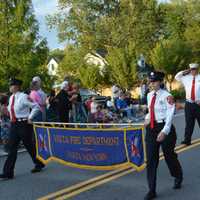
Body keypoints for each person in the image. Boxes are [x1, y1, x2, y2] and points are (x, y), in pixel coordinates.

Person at [144, 71, 183, 200]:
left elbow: (170, 115)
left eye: (154, 81)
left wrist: (164, 131)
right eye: (150, 81)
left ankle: (177, 175)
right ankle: (151, 190)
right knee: (151, 159)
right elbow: (151, 110)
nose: (151, 83)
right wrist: (147, 118)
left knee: (169, 156)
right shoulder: (149, 95)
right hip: (152, 128)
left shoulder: (167, 96)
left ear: (160, 82)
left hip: (165, 128)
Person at [0, 78, 45, 180]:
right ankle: (8, 172)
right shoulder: (11, 98)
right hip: (14, 125)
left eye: (11, 85)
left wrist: (30, 117)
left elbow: (36, 107)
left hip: (24, 124)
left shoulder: (24, 97)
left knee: (29, 145)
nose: (10, 87)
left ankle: (39, 163)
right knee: (12, 148)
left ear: (16, 87)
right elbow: (11, 110)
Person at [175, 63, 200, 145]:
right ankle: (187, 140)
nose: (193, 71)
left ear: (197, 69)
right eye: (191, 69)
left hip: (198, 104)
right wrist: (184, 72)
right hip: (189, 104)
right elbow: (177, 77)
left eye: (194, 69)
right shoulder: (186, 78)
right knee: (189, 123)